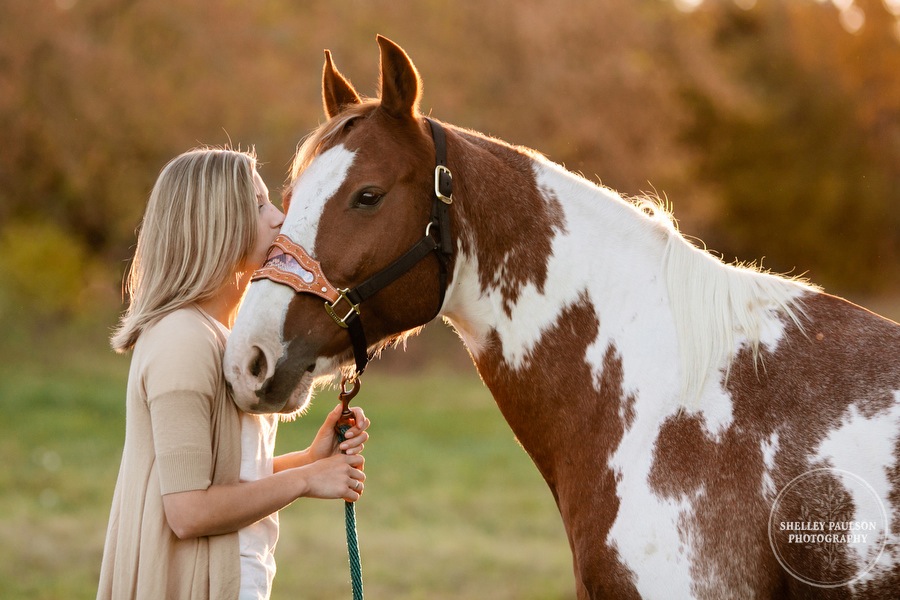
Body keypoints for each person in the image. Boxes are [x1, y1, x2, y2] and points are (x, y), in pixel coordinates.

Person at [98, 148, 370, 600]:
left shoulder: (218, 338)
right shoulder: (182, 341)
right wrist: (305, 481)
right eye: (260, 204)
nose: (279, 218)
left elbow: (224, 480)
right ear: (216, 222)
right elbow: (187, 511)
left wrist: (309, 458)